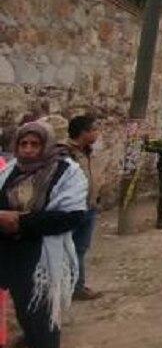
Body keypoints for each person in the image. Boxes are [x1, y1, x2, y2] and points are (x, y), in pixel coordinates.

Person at [0, 121, 88, 348]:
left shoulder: (66, 173)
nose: (28, 149)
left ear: (46, 145)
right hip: (11, 257)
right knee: (25, 317)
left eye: (34, 144)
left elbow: (71, 216)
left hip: (42, 259)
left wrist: (20, 222)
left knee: (44, 322)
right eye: (23, 144)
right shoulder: (9, 171)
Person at [61, 114, 104, 300]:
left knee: (79, 249)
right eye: (93, 129)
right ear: (83, 132)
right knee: (65, 250)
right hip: (71, 210)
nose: (97, 133)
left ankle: (77, 286)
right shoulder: (64, 153)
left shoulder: (88, 151)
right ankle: (61, 288)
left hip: (89, 207)